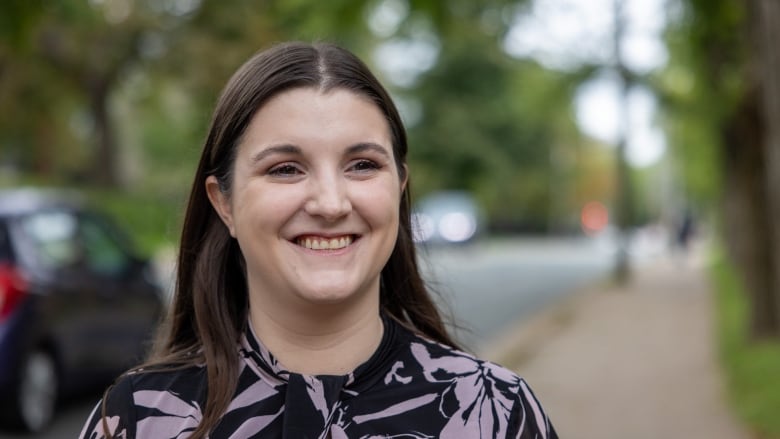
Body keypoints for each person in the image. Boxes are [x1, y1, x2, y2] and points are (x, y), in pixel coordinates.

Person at [80, 41, 557, 439]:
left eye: (363, 165)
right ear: (223, 201)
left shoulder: (496, 413)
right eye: (285, 169)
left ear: (399, 187)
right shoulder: (138, 419)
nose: (330, 204)